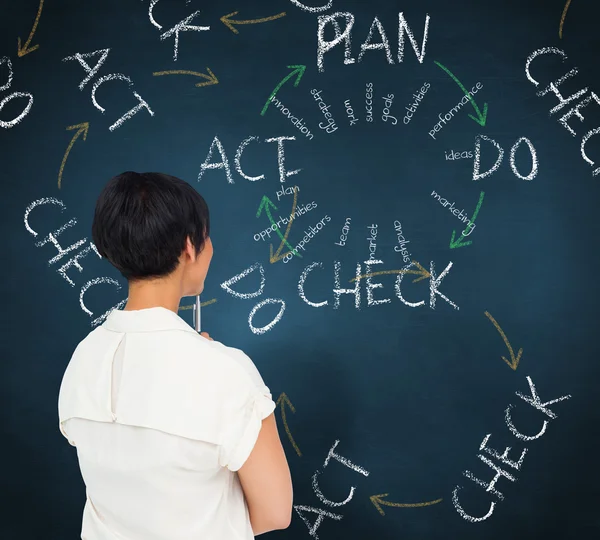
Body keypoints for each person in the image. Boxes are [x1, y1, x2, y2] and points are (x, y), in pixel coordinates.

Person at [57, 171, 293, 539]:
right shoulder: (226, 372)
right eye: (207, 236)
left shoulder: (83, 358)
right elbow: (275, 513)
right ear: (189, 247)